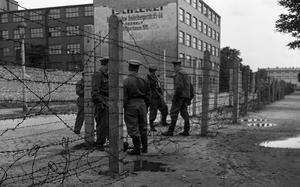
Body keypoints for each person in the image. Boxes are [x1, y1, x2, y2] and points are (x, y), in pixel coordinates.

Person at [123, 60, 150, 155]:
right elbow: (148, 95)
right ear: (137, 69)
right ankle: (145, 148)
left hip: (131, 104)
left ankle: (137, 148)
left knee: (133, 126)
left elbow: (124, 96)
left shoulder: (126, 80)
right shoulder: (144, 80)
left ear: (129, 68)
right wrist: (146, 105)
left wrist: (125, 106)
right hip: (142, 103)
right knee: (143, 126)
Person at [162, 60, 194, 136]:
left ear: (177, 66)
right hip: (185, 96)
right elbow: (190, 86)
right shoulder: (185, 73)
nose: (174, 69)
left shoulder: (179, 74)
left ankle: (170, 131)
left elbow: (179, 87)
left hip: (180, 96)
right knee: (184, 112)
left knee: (173, 112)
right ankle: (186, 131)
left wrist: (175, 96)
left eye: (174, 67)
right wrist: (190, 96)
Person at [92, 57, 109, 151]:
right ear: (107, 65)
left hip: (109, 103)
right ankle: (100, 144)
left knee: (109, 124)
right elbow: (95, 92)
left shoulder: (107, 76)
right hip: (102, 103)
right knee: (103, 124)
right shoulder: (98, 75)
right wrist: (100, 103)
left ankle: (110, 141)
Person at [146, 65, 169, 132]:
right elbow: (147, 88)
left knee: (165, 108)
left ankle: (163, 122)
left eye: (154, 71)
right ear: (150, 71)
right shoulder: (147, 78)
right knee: (153, 112)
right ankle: (151, 126)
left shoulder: (155, 77)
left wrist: (161, 93)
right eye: (153, 71)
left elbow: (158, 86)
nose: (154, 72)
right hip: (152, 97)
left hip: (158, 96)